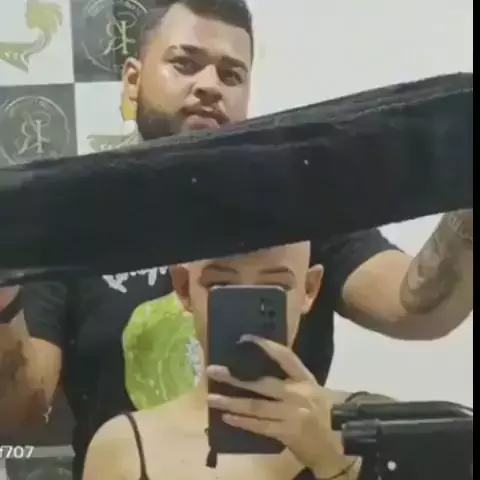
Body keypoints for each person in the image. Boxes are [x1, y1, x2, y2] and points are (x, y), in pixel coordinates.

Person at [0, 0, 473, 478]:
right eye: (184, 63)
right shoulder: (78, 219)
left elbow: (418, 307)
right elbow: (19, 406)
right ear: (133, 79)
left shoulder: (301, 207)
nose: (209, 85)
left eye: (231, 74)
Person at [82, 242, 388, 480]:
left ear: (309, 289)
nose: (246, 306)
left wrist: (330, 461)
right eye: (222, 286)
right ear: (184, 287)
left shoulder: (372, 426)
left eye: (275, 288)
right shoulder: (122, 447)